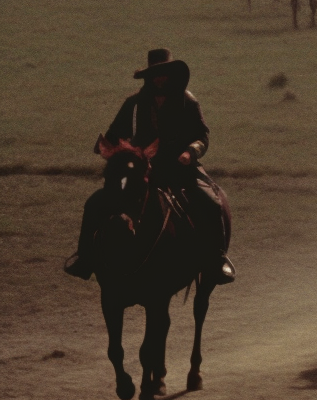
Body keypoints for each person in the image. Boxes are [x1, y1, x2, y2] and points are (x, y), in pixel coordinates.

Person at [64, 49, 235, 284]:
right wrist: (107, 148)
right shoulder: (133, 104)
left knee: (210, 201)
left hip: (179, 168)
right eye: (155, 74)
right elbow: (114, 135)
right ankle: (84, 258)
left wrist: (190, 152)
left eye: (163, 73)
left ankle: (217, 260)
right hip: (139, 171)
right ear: (149, 77)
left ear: (171, 75)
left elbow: (202, 136)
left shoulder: (188, 102)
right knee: (95, 202)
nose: (160, 78)